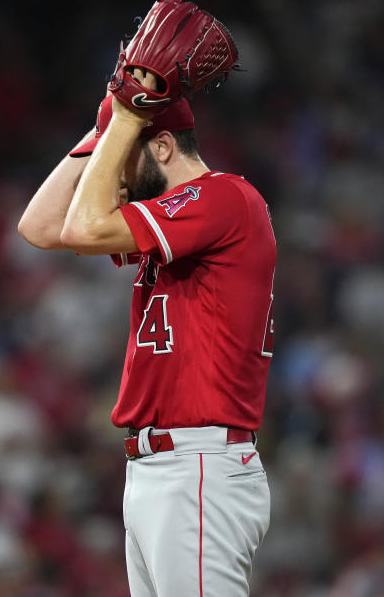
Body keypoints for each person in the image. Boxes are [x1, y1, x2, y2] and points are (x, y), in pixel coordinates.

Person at [17, 68, 276, 597]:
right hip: (162, 471)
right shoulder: (179, 221)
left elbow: (81, 227)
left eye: (123, 153)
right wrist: (112, 122)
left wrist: (128, 117)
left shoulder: (224, 198)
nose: (112, 175)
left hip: (199, 467)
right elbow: (40, 227)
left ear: (161, 147)